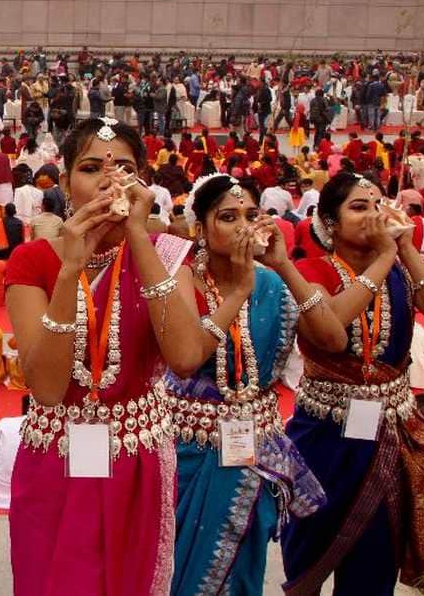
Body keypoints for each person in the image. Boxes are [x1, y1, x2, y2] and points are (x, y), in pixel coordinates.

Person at [5, 116, 216, 595]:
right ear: (64, 183)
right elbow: (47, 387)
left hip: (135, 460)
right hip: (55, 458)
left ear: (143, 180)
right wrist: (70, 268)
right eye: (92, 167)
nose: (109, 178)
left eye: (124, 166)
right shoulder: (34, 260)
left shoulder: (165, 252)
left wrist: (139, 238)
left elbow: (185, 356)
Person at [282, 171, 424, 595]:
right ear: (329, 222)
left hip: (389, 436)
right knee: (307, 553)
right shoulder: (310, 272)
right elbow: (333, 334)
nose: (372, 216)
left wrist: (403, 249)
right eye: (358, 207)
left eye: (377, 205)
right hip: (323, 438)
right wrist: (384, 259)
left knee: (374, 561)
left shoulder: (401, 271)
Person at [167, 174, 347, 595]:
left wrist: (283, 265)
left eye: (251, 215)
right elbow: (188, 358)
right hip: (186, 451)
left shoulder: (273, 283)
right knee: (179, 564)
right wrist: (240, 289)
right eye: (228, 217)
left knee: (243, 567)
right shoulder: (179, 280)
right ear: (201, 228)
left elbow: (333, 339)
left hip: (252, 449)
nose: (243, 226)